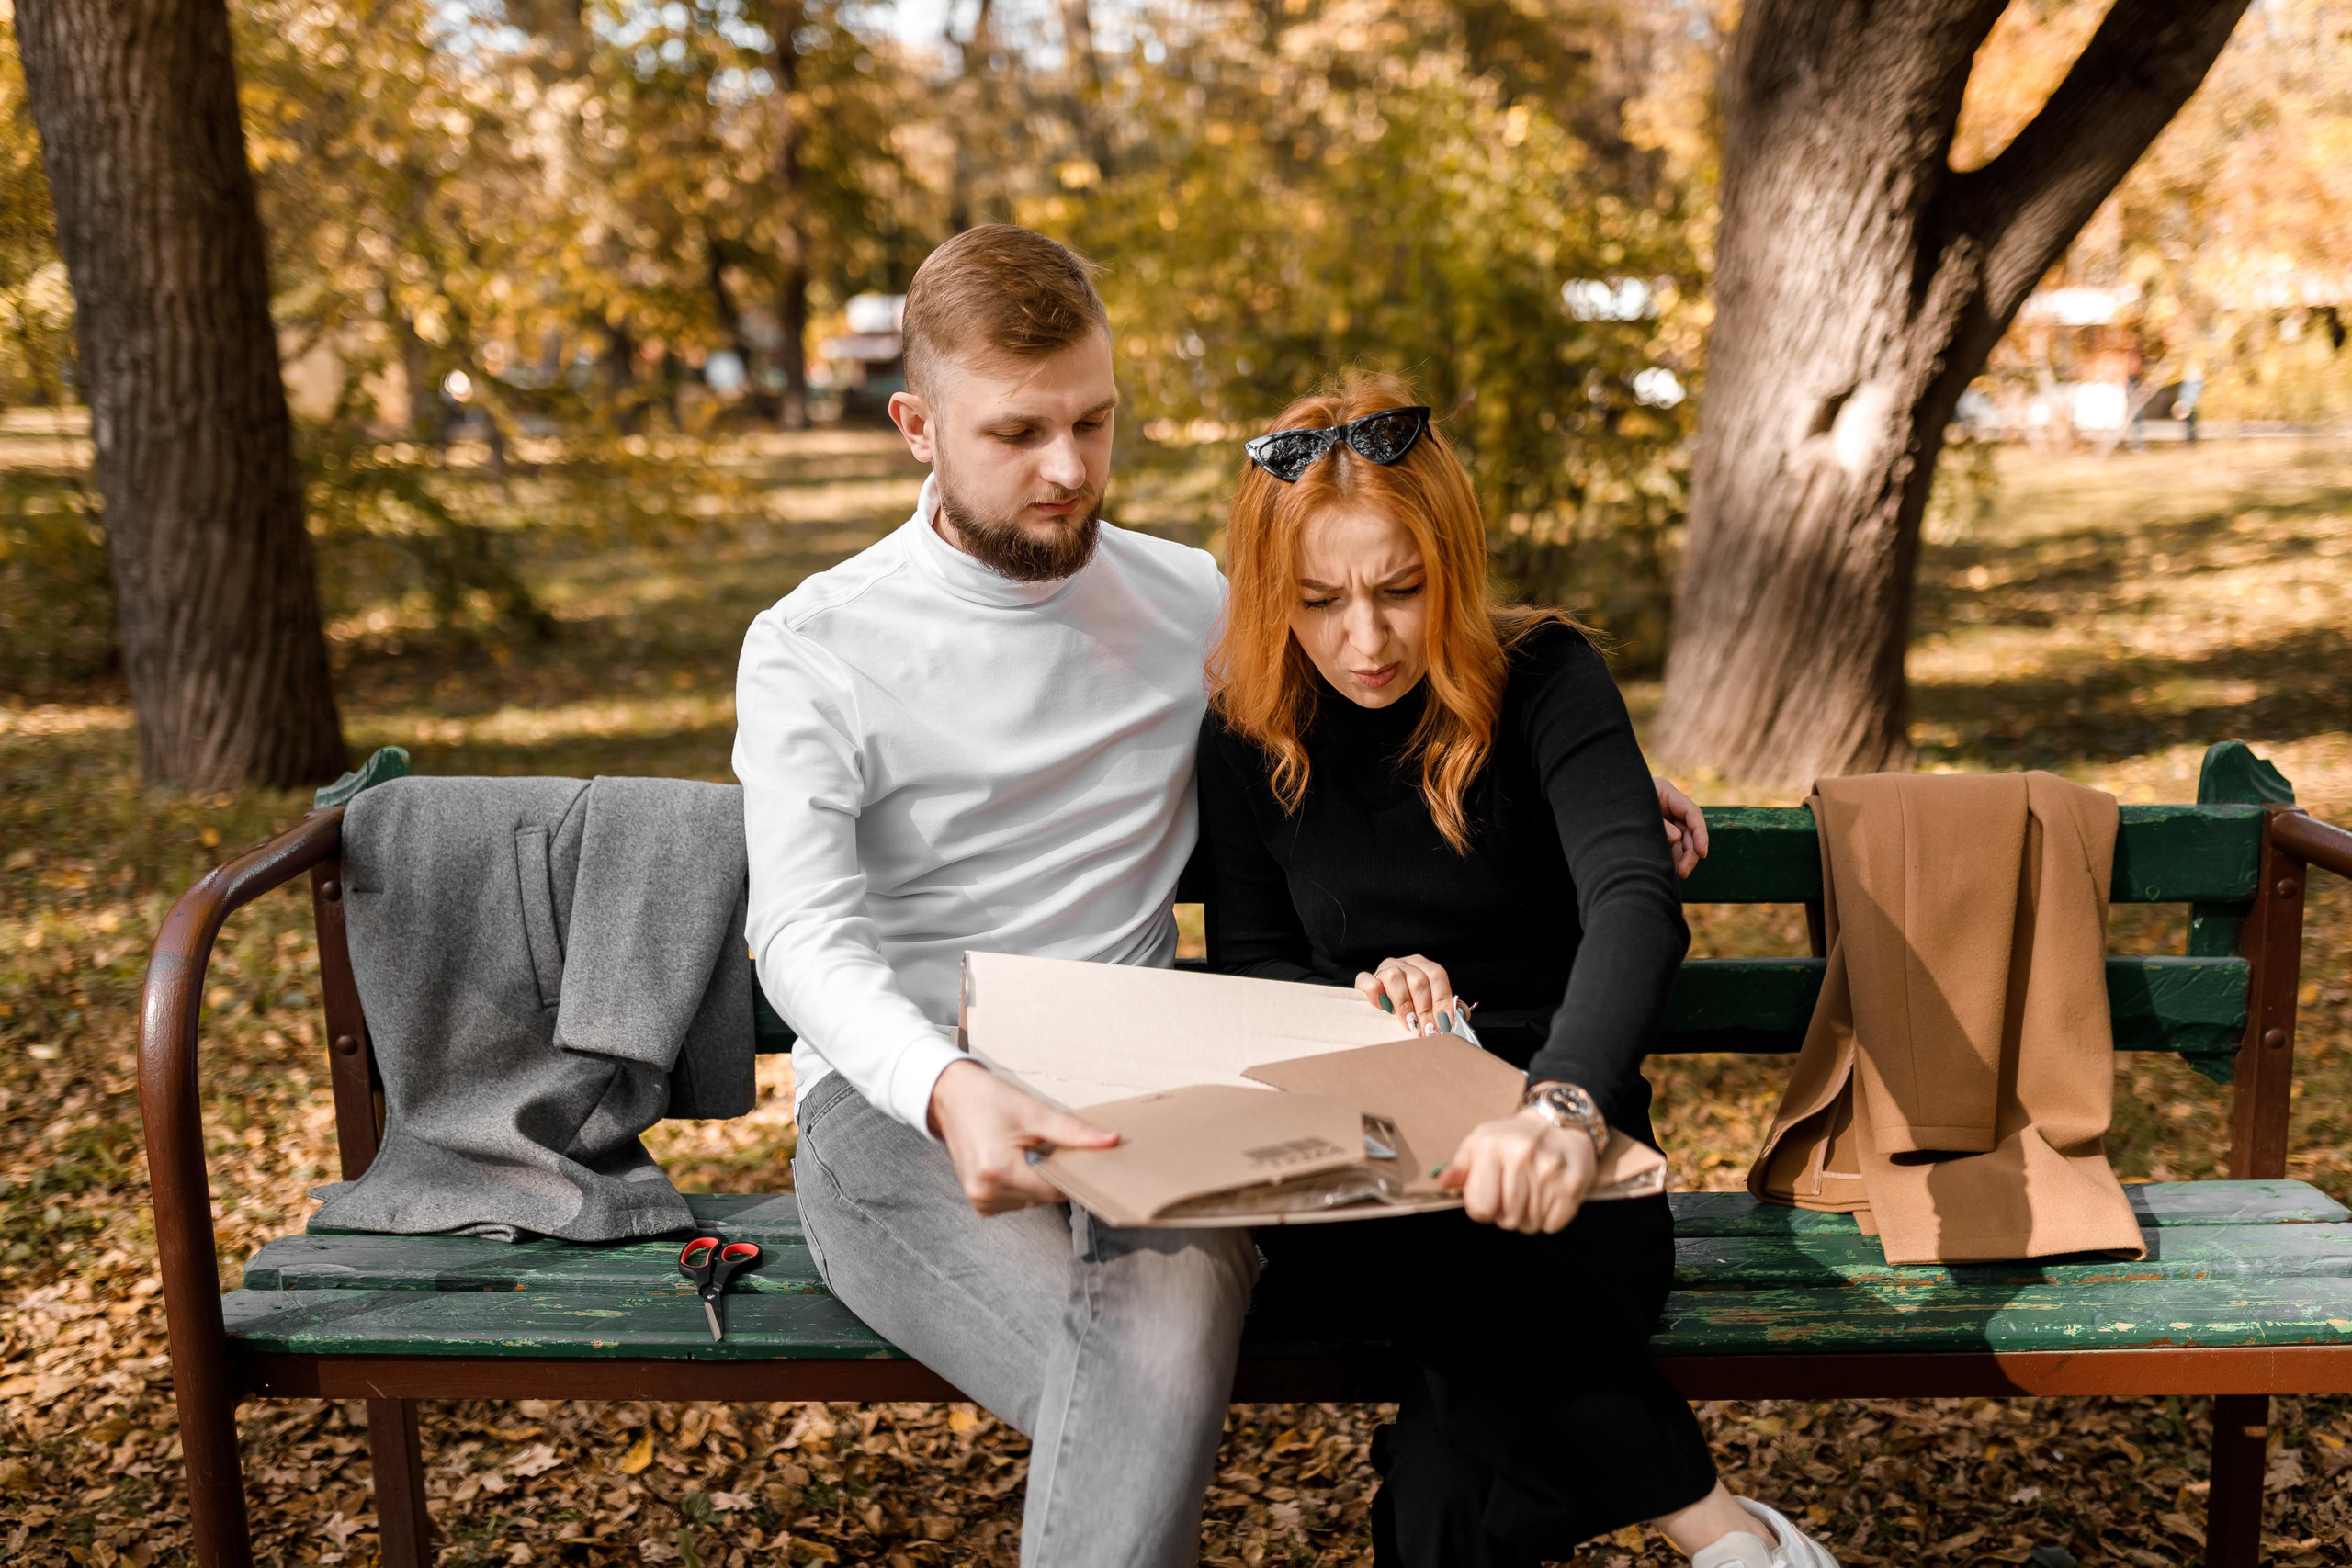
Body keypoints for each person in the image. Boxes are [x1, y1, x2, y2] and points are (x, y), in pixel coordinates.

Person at [733, 224, 1709, 1567]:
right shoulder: (813, 646)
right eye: (1017, 432)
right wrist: (948, 1086)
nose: (1068, 468)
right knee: (1135, 1385)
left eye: (1093, 420)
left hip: (1155, 1105)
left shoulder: (1195, 600)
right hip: (906, 1114)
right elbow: (795, 932)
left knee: (1164, 1341)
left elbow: (1385, 658)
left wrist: (1606, 794)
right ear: (916, 424)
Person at [1197, 377, 1839, 1568]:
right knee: (1442, 1221)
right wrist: (1353, 1000)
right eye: (1320, 600)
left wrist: (1564, 1104)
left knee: (1447, 1495)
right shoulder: (1249, 728)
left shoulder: (1547, 679)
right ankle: (1724, 1532)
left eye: (1401, 590)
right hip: (1360, 1175)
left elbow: (1635, 903)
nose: (1366, 639)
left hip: (1568, 1157)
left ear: (1454, 563)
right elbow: (1250, 962)